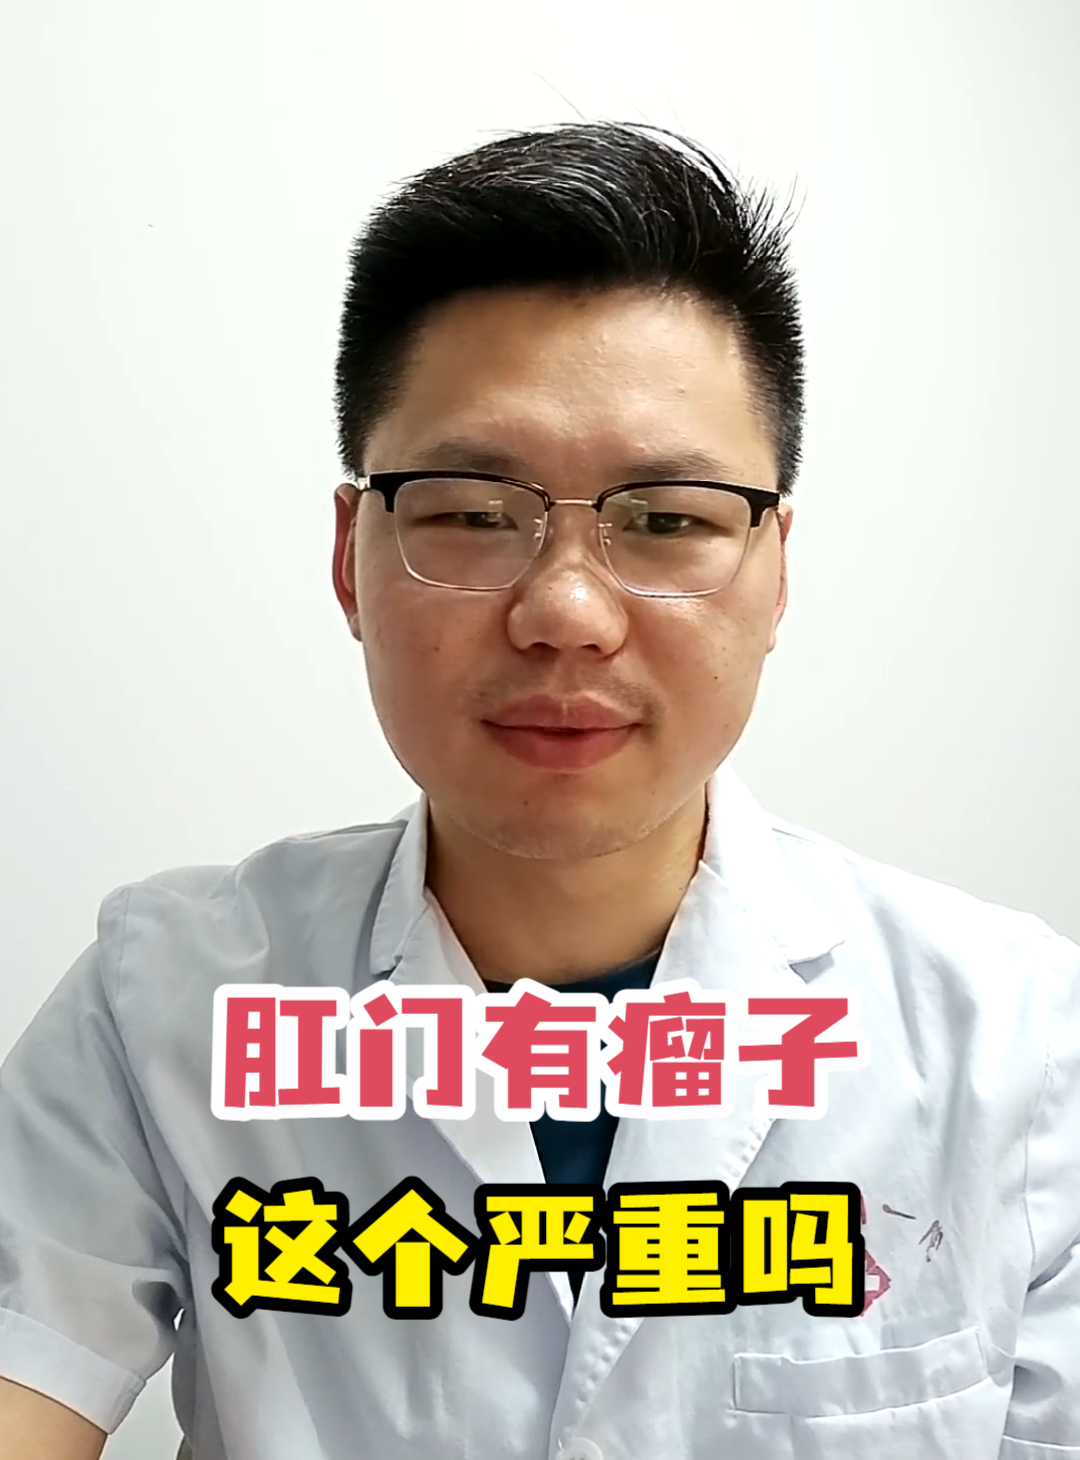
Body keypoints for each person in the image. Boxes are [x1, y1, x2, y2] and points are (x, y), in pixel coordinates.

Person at [0, 120, 1076, 1460]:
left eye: (668, 520)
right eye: (469, 511)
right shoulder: (166, 1004)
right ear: (350, 558)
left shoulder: (1017, 1044)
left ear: (775, 571)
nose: (566, 612)